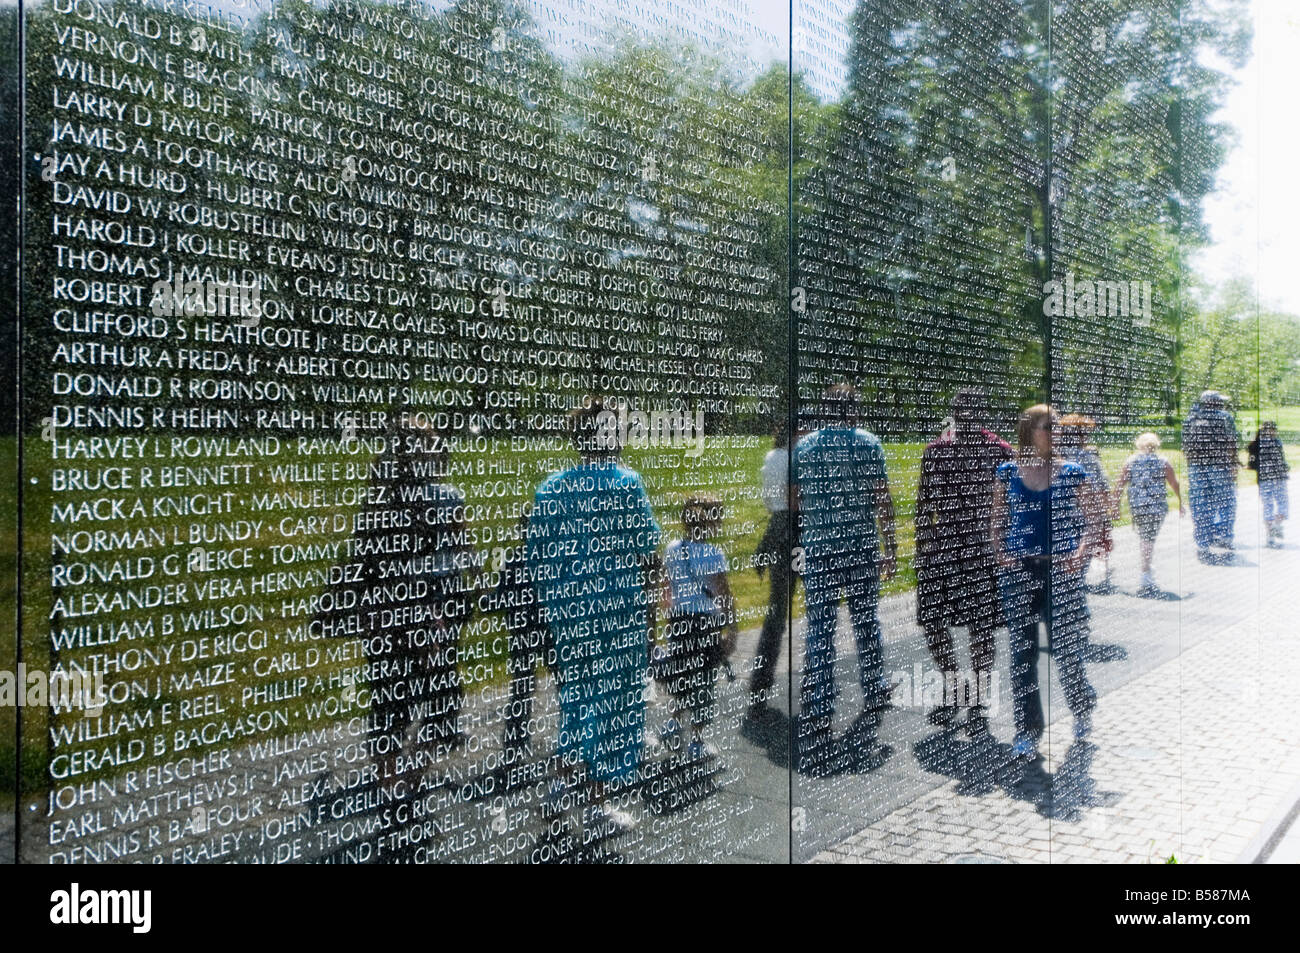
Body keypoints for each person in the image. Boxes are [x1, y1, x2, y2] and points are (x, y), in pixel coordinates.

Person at [526, 398, 661, 833]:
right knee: (608, 710)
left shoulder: (550, 488)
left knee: (576, 702)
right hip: (617, 613)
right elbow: (648, 550)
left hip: (568, 613)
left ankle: (562, 787)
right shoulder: (625, 483)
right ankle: (594, 805)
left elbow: (536, 558)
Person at [793, 384, 898, 774]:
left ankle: (819, 703)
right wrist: (891, 545)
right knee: (865, 621)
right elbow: (882, 499)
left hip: (819, 548)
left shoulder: (804, 448)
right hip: (859, 547)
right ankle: (874, 687)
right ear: (853, 411)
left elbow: (795, 500)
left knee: (820, 628)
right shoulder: (868, 444)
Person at [991, 404, 1103, 760]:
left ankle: (1082, 709)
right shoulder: (1008, 472)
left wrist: (1081, 553)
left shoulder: (1071, 471)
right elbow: (996, 521)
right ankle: (1027, 731)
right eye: (1047, 427)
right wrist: (1000, 552)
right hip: (1019, 573)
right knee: (1022, 655)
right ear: (1029, 432)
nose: (1055, 433)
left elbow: (1094, 520)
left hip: (1060, 572)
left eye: (1056, 427)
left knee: (1066, 649)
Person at [914, 388, 1011, 737]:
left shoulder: (999, 452)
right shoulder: (938, 451)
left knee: (978, 627)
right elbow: (925, 504)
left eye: (972, 410)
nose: (968, 416)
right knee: (941, 623)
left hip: (975, 551)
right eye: (962, 410)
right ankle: (960, 687)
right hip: (951, 550)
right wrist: (923, 546)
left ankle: (974, 692)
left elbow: (1008, 508)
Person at [657, 494, 740, 762]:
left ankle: (672, 723)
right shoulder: (712, 554)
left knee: (682, 674)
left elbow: (666, 589)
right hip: (705, 624)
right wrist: (732, 629)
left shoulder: (672, 548)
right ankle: (696, 740)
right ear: (708, 524)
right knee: (703, 683)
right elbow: (723, 593)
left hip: (679, 621)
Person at [747, 424, 796, 731]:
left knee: (774, 619)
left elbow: (772, 504)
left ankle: (758, 691)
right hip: (797, 529)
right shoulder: (794, 457)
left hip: (777, 532)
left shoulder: (772, 457)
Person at [1113, 432, 1183, 594]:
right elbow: (1174, 483)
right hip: (1156, 508)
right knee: (1148, 538)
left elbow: (1120, 484)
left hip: (1138, 507)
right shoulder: (1162, 461)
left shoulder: (1131, 461)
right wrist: (1180, 502)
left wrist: (1115, 506)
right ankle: (1146, 573)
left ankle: (1147, 569)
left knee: (1146, 537)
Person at [1059, 414, 1114, 593]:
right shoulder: (1089, 459)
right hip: (1082, 524)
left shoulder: (1053, 456)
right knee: (1075, 573)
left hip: (1056, 521)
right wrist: (1105, 517)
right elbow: (1101, 491)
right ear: (1082, 435)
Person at [1183, 391, 1240, 561]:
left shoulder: (1191, 417)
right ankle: (1225, 536)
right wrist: (1234, 464)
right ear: (1215, 403)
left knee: (1200, 503)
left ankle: (1203, 543)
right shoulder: (1224, 417)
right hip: (1219, 465)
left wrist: (1192, 466)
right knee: (1226, 500)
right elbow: (1232, 442)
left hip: (1196, 466)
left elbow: (1185, 446)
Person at [1247, 421, 1290, 547]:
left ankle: (1270, 535)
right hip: (1279, 478)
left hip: (1264, 479)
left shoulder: (1255, 444)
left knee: (1268, 505)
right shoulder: (1277, 442)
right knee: (1282, 502)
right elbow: (1281, 461)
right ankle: (1277, 524)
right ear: (1274, 431)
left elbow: (1252, 463)